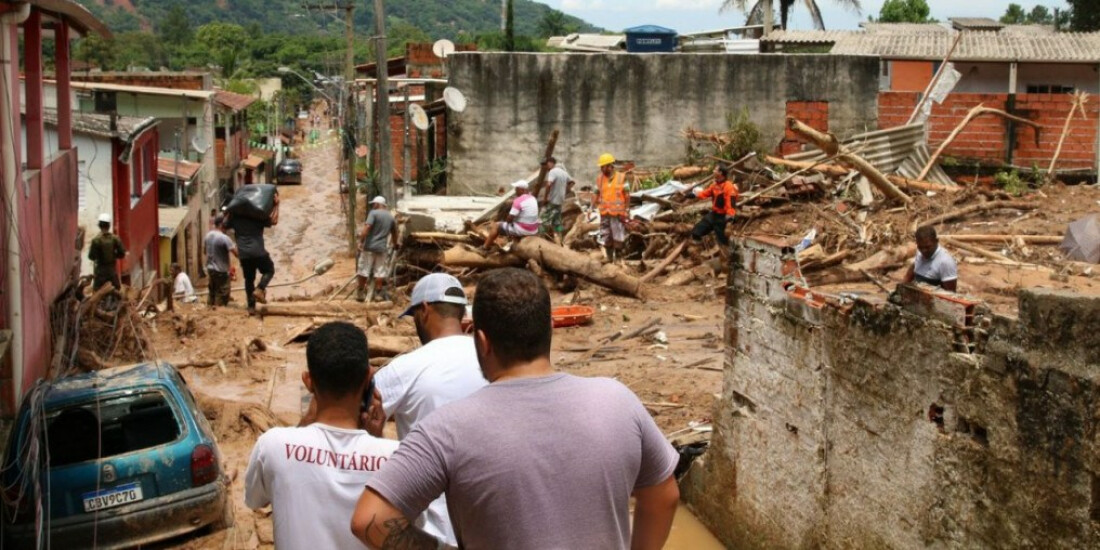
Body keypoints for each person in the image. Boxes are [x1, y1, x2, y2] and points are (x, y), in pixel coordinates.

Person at [351, 268, 680, 549]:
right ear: (549, 330)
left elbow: (370, 519)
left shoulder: (446, 428)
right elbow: (663, 496)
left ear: (482, 341)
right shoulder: (618, 401)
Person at [245, 321, 399, 550]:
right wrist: (376, 439)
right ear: (369, 377)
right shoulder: (396, 458)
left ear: (308, 382)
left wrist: (306, 422)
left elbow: (254, 499)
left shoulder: (272, 445)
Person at [363, 273, 486, 546]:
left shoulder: (407, 368)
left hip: (435, 529)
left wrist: (375, 435)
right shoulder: (491, 357)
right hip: (489, 523)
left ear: (425, 309)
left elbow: (356, 412)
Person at [225, 192, 279, 314]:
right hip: (259, 252)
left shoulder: (235, 219)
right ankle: (260, 288)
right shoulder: (257, 216)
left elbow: (223, 225)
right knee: (269, 270)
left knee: (249, 280)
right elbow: (274, 220)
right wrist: (276, 205)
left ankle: (251, 307)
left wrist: (229, 211)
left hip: (244, 254)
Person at [358, 196, 399, 302]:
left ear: (377, 204)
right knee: (380, 271)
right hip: (382, 248)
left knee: (364, 269)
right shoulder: (390, 217)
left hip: (369, 247)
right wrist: (395, 244)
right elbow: (394, 233)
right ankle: (378, 294)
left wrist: (361, 241)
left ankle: (361, 292)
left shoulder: (373, 213)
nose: (372, 206)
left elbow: (367, 228)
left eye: (373, 204)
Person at [686, 165, 739, 247]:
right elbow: (705, 193)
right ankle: (698, 243)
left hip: (723, 216)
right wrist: (694, 195)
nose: (713, 171)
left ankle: (729, 251)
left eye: (715, 170)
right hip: (715, 214)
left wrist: (729, 218)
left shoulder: (728, 187)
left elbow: (730, 203)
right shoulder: (715, 185)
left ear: (720, 173)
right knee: (698, 230)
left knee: (722, 239)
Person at [482, 180, 539, 249]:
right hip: (534, 229)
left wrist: (507, 218)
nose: (515, 191)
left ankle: (485, 247)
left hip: (524, 230)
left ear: (522, 190)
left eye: (516, 189)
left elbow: (509, 219)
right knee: (516, 222)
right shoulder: (532, 198)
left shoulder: (518, 201)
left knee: (496, 226)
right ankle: (514, 244)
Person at [596, 153, 630, 263]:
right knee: (606, 235)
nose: (602, 169)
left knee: (618, 236)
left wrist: (627, 209)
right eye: (601, 167)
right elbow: (596, 193)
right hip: (604, 212)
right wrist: (591, 208)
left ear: (610, 165)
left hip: (618, 213)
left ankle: (619, 259)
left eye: (604, 166)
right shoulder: (600, 179)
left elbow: (627, 195)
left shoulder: (622, 177)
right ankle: (609, 258)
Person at [904, 226, 958, 292]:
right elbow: (914, 266)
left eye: (928, 247)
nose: (923, 251)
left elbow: (950, 294)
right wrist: (904, 284)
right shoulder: (920, 252)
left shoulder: (945, 262)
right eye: (920, 247)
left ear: (936, 241)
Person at [204, 215, 238, 307]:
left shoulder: (207, 236)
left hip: (210, 269)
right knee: (223, 294)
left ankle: (209, 311)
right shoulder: (224, 238)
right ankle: (218, 313)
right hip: (221, 271)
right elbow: (237, 254)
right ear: (221, 224)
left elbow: (205, 252)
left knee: (212, 292)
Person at [538, 156, 574, 242]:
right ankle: (559, 239)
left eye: (546, 165)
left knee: (542, 221)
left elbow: (548, 184)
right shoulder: (563, 172)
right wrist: (565, 191)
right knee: (557, 222)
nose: (546, 167)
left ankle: (541, 240)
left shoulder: (552, 172)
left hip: (552, 201)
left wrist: (545, 198)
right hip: (560, 201)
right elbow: (572, 182)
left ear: (551, 163)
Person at [88, 213, 127, 291]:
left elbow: (91, 256)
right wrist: (114, 255)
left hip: (100, 272)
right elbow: (122, 253)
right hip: (111, 271)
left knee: (97, 291)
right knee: (117, 290)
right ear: (109, 226)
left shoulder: (96, 240)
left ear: (99, 225)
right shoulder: (115, 239)